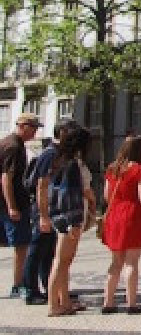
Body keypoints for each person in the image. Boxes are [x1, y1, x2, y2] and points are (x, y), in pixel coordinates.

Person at [23, 118, 76, 306]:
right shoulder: (50, 154)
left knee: (49, 251)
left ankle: (50, 287)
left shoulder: (60, 153)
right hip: (43, 210)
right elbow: (42, 185)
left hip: (53, 210)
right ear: (62, 133)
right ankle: (30, 291)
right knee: (36, 250)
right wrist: (43, 216)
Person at [101, 135, 141, 314]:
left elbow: (107, 196)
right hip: (133, 216)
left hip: (115, 216)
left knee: (116, 262)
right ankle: (131, 304)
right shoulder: (140, 170)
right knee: (131, 262)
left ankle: (108, 302)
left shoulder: (112, 168)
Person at [46, 125, 93, 318]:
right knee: (61, 260)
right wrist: (74, 221)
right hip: (68, 218)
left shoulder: (60, 160)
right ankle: (53, 304)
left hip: (61, 216)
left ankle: (64, 301)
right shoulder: (71, 164)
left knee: (64, 261)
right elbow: (69, 195)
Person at [1, 113, 40, 300]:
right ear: (23, 126)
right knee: (21, 244)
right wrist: (12, 206)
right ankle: (18, 285)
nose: (35, 132)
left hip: (6, 202)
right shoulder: (14, 146)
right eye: (33, 128)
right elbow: (6, 178)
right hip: (11, 202)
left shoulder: (8, 142)